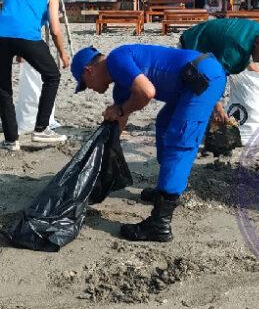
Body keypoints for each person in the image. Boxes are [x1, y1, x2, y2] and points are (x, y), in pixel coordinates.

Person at [71, 44, 227, 242]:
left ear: (89, 71)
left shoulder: (116, 59)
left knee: (180, 140)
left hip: (203, 76)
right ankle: (164, 189)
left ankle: (160, 224)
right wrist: (108, 149)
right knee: (164, 123)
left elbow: (147, 92)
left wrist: (120, 110)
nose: (89, 89)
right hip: (195, 75)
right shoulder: (121, 82)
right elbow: (122, 116)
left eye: (85, 84)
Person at [0, 0, 71, 150]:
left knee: (3, 89)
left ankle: (11, 140)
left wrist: (20, 52)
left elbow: (13, 18)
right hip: (27, 36)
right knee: (52, 76)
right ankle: (41, 129)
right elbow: (55, 30)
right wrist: (63, 54)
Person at [180, 18, 259, 123]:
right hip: (192, 45)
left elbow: (245, 53)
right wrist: (218, 108)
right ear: (258, 42)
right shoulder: (235, 53)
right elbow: (215, 79)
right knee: (194, 97)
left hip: (213, 44)